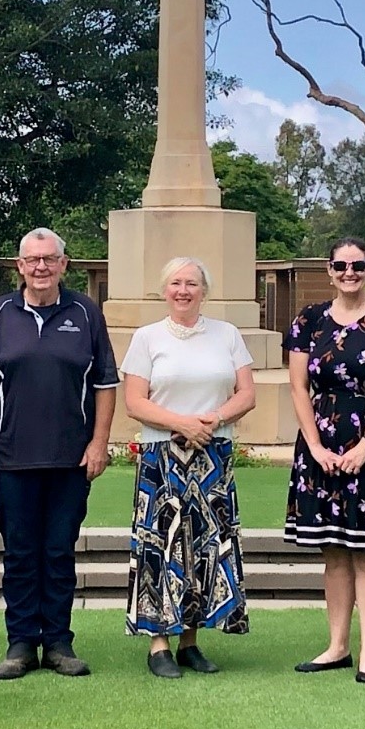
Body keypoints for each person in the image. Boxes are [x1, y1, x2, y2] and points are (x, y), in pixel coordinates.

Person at [0, 227, 119, 680]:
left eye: (50, 259)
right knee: (19, 553)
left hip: (70, 460)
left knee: (58, 552)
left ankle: (58, 642)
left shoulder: (85, 314)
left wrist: (98, 442)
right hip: (13, 458)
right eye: (32, 260)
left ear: (63, 265)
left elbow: (105, 385)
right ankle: (19, 643)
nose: (41, 267)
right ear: (20, 265)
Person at [284, 237, 365, 685]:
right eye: (341, 266)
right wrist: (315, 445)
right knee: (334, 551)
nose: (349, 273)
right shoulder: (309, 321)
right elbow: (299, 387)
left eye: (357, 265)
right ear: (329, 269)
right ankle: (337, 646)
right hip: (319, 442)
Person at [120, 257, 257, 678]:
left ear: (204, 291)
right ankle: (158, 644)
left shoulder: (228, 335)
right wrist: (180, 423)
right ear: (165, 290)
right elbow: (135, 401)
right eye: (176, 283)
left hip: (213, 459)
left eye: (192, 284)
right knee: (160, 545)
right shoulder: (147, 338)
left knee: (204, 547)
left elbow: (246, 393)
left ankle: (190, 642)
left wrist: (211, 421)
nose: (184, 290)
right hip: (163, 457)